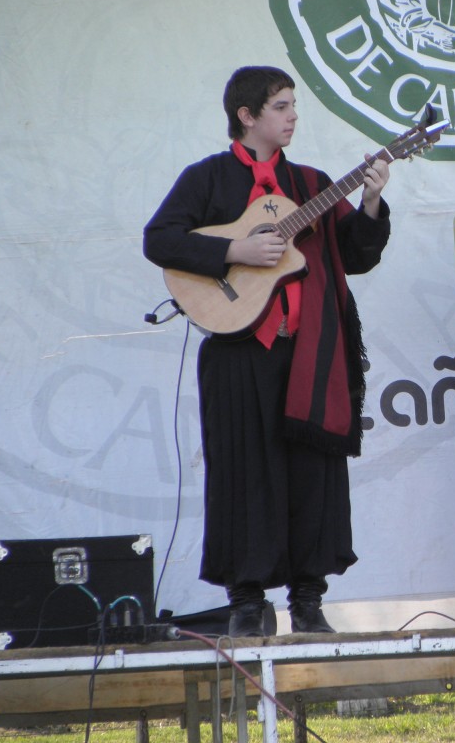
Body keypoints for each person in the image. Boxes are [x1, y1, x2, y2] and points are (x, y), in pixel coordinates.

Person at [143, 66, 391, 637]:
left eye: (293, 105)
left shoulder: (313, 183)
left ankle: (308, 599)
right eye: (280, 106)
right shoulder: (206, 179)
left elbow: (357, 256)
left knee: (312, 475)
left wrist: (372, 201)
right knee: (242, 473)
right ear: (247, 116)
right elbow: (160, 239)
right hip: (238, 354)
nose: (292, 115)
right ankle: (248, 604)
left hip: (309, 354)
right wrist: (237, 249)